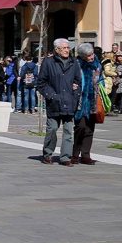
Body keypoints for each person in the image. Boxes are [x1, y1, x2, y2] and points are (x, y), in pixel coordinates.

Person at [36, 38, 82, 166]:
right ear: (57, 50)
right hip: (54, 102)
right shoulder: (48, 62)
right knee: (52, 129)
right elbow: (41, 83)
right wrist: (51, 95)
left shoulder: (74, 63)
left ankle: (65, 157)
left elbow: (78, 81)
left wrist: (76, 93)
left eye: (68, 48)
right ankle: (47, 153)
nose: (67, 50)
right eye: (64, 48)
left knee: (68, 131)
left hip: (69, 102)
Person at [72, 43, 102, 165]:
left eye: (92, 54)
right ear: (83, 56)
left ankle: (86, 155)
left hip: (93, 99)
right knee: (80, 127)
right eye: (88, 56)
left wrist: (103, 87)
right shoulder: (76, 65)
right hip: (80, 100)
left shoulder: (97, 64)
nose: (91, 57)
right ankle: (74, 154)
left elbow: (101, 79)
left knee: (90, 128)